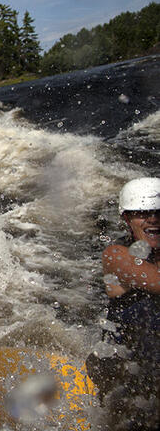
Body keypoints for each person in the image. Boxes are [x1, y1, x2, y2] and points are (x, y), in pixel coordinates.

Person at [86, 177, 159, 430]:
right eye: (142, 213)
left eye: (158, 212)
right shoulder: (116, 255)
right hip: (126, 371)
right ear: (127, 220)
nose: (152, 219)